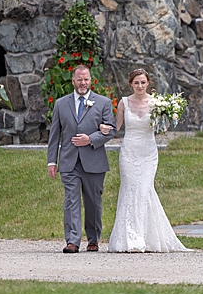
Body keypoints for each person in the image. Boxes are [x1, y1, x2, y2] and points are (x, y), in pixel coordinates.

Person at [105, 68, 190, 253]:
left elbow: (163, 129)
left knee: (144, 190)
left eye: (143, 82)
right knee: (129, 190)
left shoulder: (156, 103)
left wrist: (168, 114)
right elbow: (115, 127)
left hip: (148, 153)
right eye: (136, 83)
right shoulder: (124, 103)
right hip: (129, 152)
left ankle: (147, 237)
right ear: (131, 84)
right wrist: (102, 128)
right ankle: (129, 238)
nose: (140, 86)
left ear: (148, 83)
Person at [46, 64, 116, 253]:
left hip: (94, 160)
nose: (83, 83)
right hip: (69, 161)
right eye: (79, 79)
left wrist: (90, 139)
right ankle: (72, 241)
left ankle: (93, 239)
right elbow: (54, 135)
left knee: (93, 202)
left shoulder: (103, 103)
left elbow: (111, 130)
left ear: (90, 81)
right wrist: (52, 161)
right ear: (73, 81)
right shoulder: (61, 104)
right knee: (70, 200)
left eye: (86, 79)